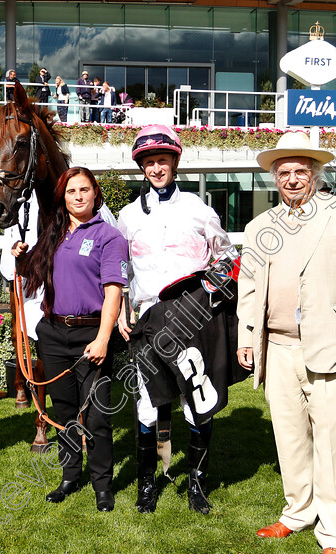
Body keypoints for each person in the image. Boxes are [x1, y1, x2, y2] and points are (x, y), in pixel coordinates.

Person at [236, 131, 336, 554]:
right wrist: (246, 337)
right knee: (290, 438)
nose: (293, 180)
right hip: (277, 349)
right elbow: (249, 286)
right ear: (274, 178)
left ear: (316, 175)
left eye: (301, 171)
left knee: (335, 441)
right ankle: (298, 512)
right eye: (285, 173)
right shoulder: (260, 227)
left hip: (334, 345)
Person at [116, 125, 232, 515]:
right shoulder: (127, 217)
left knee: (196, 402)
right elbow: (120, 271)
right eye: (149, 162)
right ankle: (147, 484)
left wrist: (208, 298)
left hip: (191, 319)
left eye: (162, 160)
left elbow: (226, 257)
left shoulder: (200, 210)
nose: (156, 168)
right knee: (147, 404)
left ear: (175, 163)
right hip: (147, 320)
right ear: (142, 167)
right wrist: (120, 312)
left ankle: (196, 485)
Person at [17, 167, 129, 513]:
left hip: (89, 334)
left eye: (84, 190)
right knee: (64, 411)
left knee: (95, 414)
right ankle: (69, 476)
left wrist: (103, 338)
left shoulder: (110, 237)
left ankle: (102, 485)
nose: (78, 196)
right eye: (70, 191)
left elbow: (114, 293)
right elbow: (31, 276)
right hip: (53, 333)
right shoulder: (53, 234)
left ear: (96, 194)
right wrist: (21, 256)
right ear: (62, 198)